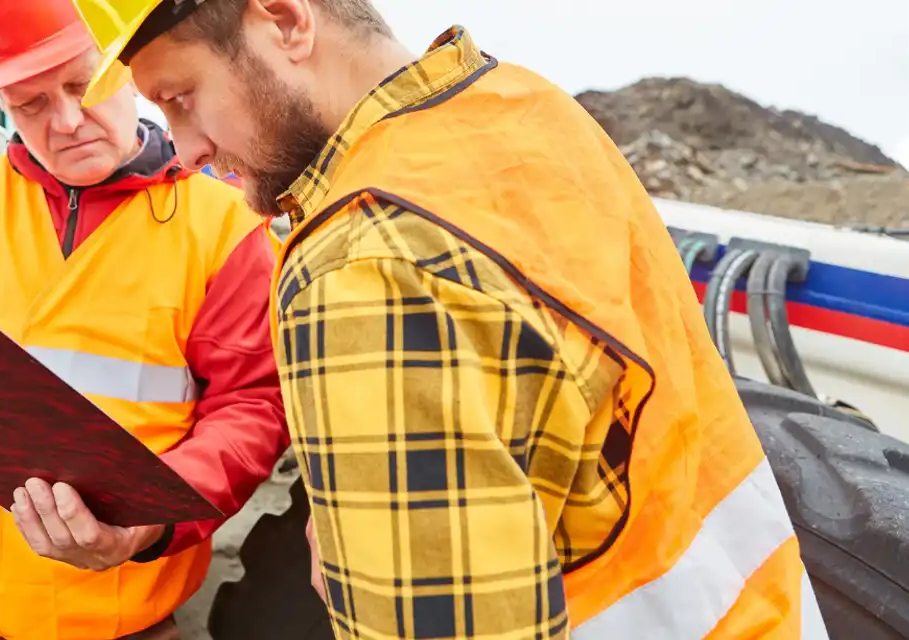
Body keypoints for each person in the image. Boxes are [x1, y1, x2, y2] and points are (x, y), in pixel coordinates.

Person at [68, 1, 833, 638]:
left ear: (285, 19)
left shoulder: (360, 264)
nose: (188, 147)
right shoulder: (522, 107)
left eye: (180, 99)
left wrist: (357, 573)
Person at [0, 0, 288, 638]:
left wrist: (150, 520)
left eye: (83, 86)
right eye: (28, 104)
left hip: (110, 610)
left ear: (129, 71)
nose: (64, 122)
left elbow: (253, 406)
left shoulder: (222, 226)